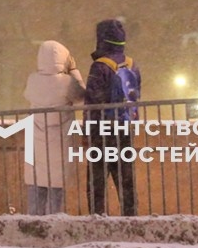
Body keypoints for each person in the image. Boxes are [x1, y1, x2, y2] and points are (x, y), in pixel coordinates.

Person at [84, 18, 141, 216]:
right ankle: (131, 219)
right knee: (126, 179)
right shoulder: (132, 64)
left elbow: (92, 101)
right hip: (124, 129)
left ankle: (97, 219)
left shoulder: (100, 66)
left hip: (102, 132)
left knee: (97, 181)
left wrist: (87, 131)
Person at [23, 39, 86, 214]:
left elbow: (28, 94)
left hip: (36, 144)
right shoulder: (67, 82)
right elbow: (82, 97)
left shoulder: (33, 80)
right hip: (59, 143)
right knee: (55, 190)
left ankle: (33, 226)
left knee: (36, 188)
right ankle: (53, 223)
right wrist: (74, 70)